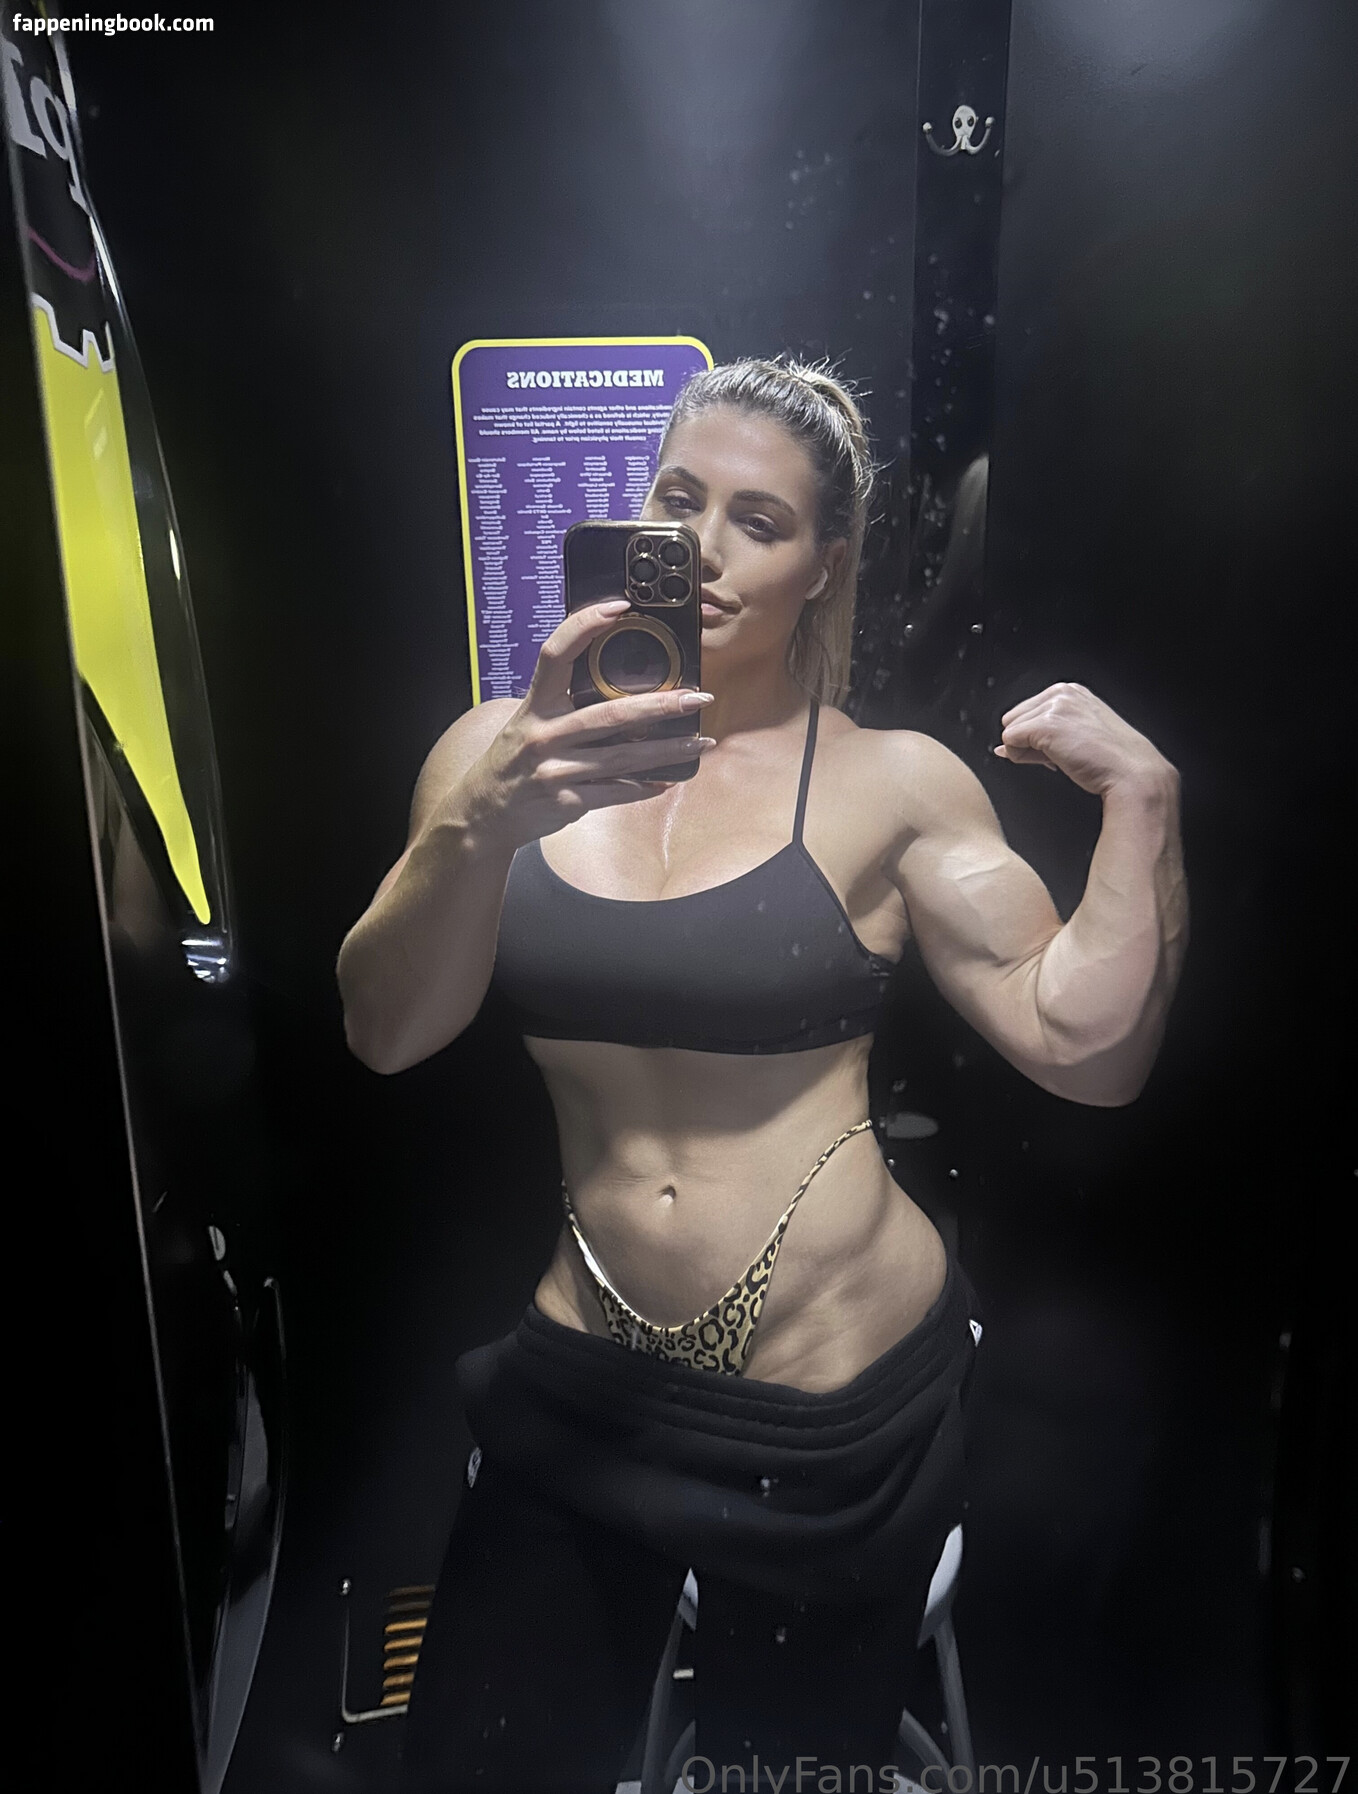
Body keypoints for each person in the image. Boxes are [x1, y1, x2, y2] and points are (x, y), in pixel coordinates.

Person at [336, 357, 1189, 1793]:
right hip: (587, 1377)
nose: (708, 547)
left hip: (833, 1405)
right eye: (681, 501)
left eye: (760, 520)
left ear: (824, 562)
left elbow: (1085, 1047)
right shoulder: (495, 756)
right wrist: (478, 826)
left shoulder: (891, 782)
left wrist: (1143, 803)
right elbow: (386, 1029)